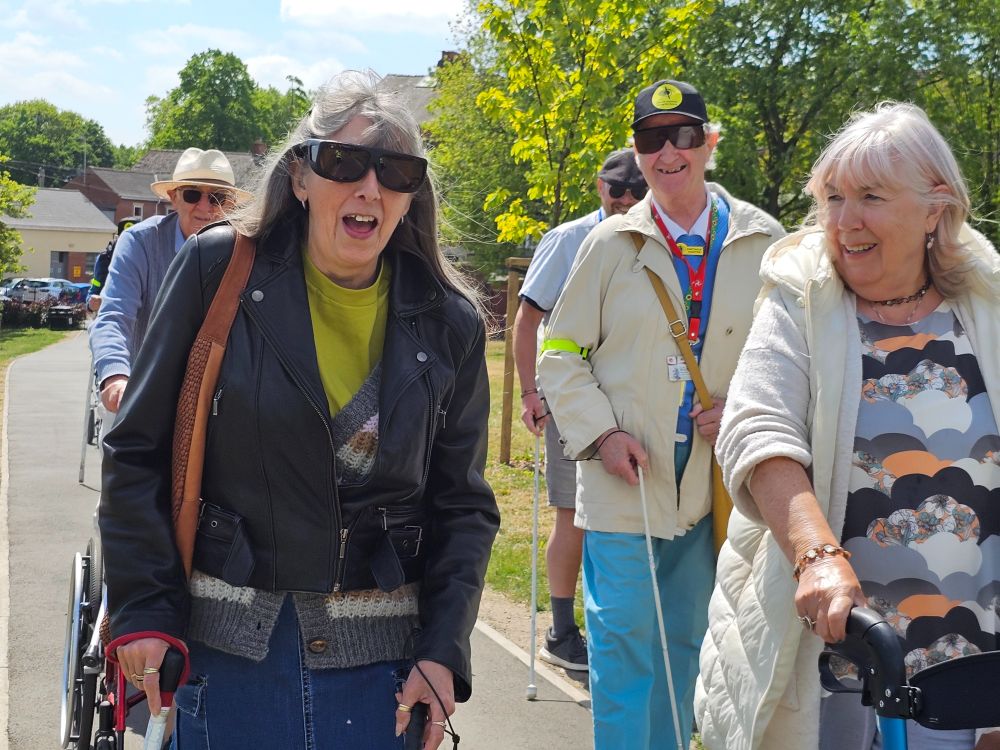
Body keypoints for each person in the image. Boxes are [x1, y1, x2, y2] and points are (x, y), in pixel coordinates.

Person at [99, 70, 500, 750]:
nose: (370, 187)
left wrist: (443, 653)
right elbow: (137, 448)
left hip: (383, 682)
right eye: (343, 162)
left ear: (412, 194)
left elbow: (463, 506)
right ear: (301, 176)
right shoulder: (215, 270)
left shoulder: (451, 324)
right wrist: (142, 608)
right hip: (229, 668)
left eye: (396, 171)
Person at [696, 102, 1000, 750]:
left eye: (870, 196)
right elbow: (758, 426)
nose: (846, 221)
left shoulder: (987, 300)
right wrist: (817, 554)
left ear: (934, 207)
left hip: (972, 673)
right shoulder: (800, 295)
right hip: (842, 664)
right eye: (833, 198)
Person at [537, 79, 784, 748]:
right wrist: (601, 433)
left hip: (715, 485)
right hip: (627, 481)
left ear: (709, 142)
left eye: (682, 135)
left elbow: (793, 360)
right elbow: (557, 351)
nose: (667, 152)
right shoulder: (611, 244)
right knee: (622, 642)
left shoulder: (765, 243)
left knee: (690, 640)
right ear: (637, 153)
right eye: (651, 139)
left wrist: (743, 409)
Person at [513, 147, 647, 672]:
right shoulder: (568, 240)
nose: (627, 200)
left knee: (624, 517)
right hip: (572, 397)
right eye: (619, 190)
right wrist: (531, 393)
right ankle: (563, 631)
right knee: (574, 514)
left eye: (639, 191)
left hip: (633, 400)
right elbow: (527, 322)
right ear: (600, 186)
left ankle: (612, 626)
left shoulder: (653, 239)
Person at [89, 148, 246, 417]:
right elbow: (114, 315)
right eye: (192, 194)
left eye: (218, 198)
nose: (205, 207)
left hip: (217, 407)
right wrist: (115, 377)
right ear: (174, 198)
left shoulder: (245, 251)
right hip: (143, 397)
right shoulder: (140, 243)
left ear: (230, 204)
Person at [88, 217, 139, 312]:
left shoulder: (150, 259)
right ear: (117, 239)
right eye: (125, 240)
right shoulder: (104, 259)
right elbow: (95, 289)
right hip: (111, 315)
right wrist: (91, 303)